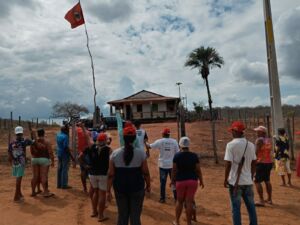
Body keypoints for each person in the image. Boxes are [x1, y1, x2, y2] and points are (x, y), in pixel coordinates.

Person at [107, 125, 151, 225]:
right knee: (135, 216)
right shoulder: (141, 154)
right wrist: (148, 185)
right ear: (135, 138)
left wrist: (108, 191)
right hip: (137, 188)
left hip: (120, 189)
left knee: (122, 216)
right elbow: (146, 173)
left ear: (123, 137)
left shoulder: (114, 154)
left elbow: (111, 174)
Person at [224, 121, 257, 225]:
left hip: (235, 182)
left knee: (236, 208)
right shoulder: (251, 145)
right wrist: (251, 176)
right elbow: (254, 162)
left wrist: (225, 179)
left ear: (236, 131)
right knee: (251, 207)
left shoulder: (230, 145)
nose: (231, 133)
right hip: (248, 181)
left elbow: (228, 164)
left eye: (232, 131)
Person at [79, 126, 111, 222]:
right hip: (103, 175)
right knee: (102, 194)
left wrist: (85, 165)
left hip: (92, 174)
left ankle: (94, 212)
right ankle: (101, 216)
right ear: (105, 141)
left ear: (97, 140)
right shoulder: (109, 150)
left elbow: (80, 156)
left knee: (95, 192)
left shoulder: (92, 147)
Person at [171, 137, 204, 225]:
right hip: (192, 181)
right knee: (189, 201)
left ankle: (177, 221)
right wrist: (201, 180)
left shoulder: (177, 156)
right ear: (189, 145)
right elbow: (198, 170)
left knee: (179, 201)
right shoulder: (194, 156)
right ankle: (189, 223)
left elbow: (174, 170)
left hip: (180, 181)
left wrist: (172, 180)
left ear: (180, 145)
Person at [147, 128, 179, 203]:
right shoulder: (174, 142)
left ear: (163, 134)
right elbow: (177, 152)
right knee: (174, 181)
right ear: (169, 134)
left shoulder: (160, 141)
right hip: (172, 165)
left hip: (163, 165)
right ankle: (176, 198)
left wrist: (145, 142)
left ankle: (162, 198)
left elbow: (150, 146)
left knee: (163, 182)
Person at [8, 126, 34, 202]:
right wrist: (32, 133)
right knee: (19, 180)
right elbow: (33, 142)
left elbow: (9, 152)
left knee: (18, 178)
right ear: (22, 133)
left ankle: (19, 194)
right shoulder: (24, 141)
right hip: (21, 163)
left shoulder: (12, 142)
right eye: (20, 134)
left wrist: (11, 161)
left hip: (15, 163)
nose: (20, 135)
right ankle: (16, 197)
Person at [30, 128, 55, 197]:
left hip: (34, 159)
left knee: (35, 176)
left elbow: (31, 152)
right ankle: (46, 192)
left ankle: (33, 192)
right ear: (43, 133)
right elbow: (50, 152)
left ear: (38, 134)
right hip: (44, 159)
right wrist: (52, 161)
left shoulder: (34, 141)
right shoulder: (47, 142)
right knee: (43, 176)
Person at [253, 126, 273, 206]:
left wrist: (253, 161)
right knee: (267, 180)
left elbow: (256, 152)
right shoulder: (268, 140)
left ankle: (261, 200)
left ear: (262, 132)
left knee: (257, 181)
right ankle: (269, 199)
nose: (256, 133)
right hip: (268, 162)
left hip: (261, 162)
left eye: (258, 131)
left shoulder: (259, 140)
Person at [56, 125, 75, 189]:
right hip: (64, 154)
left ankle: (59, 184)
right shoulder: (65, 136)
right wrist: (72, 156)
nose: (68, 131)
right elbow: (65, 147)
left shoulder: (58, 135)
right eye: (67, 130)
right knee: (64, 169)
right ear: (65, 130)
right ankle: (64, 185)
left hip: (59, 153)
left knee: (59, 168)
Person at [76, 123, 91, 193]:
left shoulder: (77, 132)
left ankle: (85, 189)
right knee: (91, 170)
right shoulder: (88, 133)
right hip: (87, 153)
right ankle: (92, 188)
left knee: (83, 170)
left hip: (80, 152)